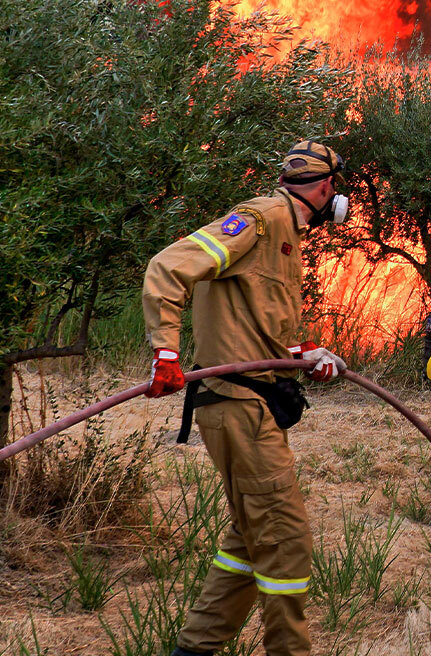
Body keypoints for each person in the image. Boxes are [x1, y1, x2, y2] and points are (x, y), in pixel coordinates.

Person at [142, 140, 350, 656]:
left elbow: (257, 328)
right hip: (236, 404)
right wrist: (165, 353)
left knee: (249, 535)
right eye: (336, 187)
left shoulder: (284, 232)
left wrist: (304, 355)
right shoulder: (258, 220)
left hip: (249, 398)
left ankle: (193, 650)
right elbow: (167, 268)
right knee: (285, 539)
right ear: (326, 187)